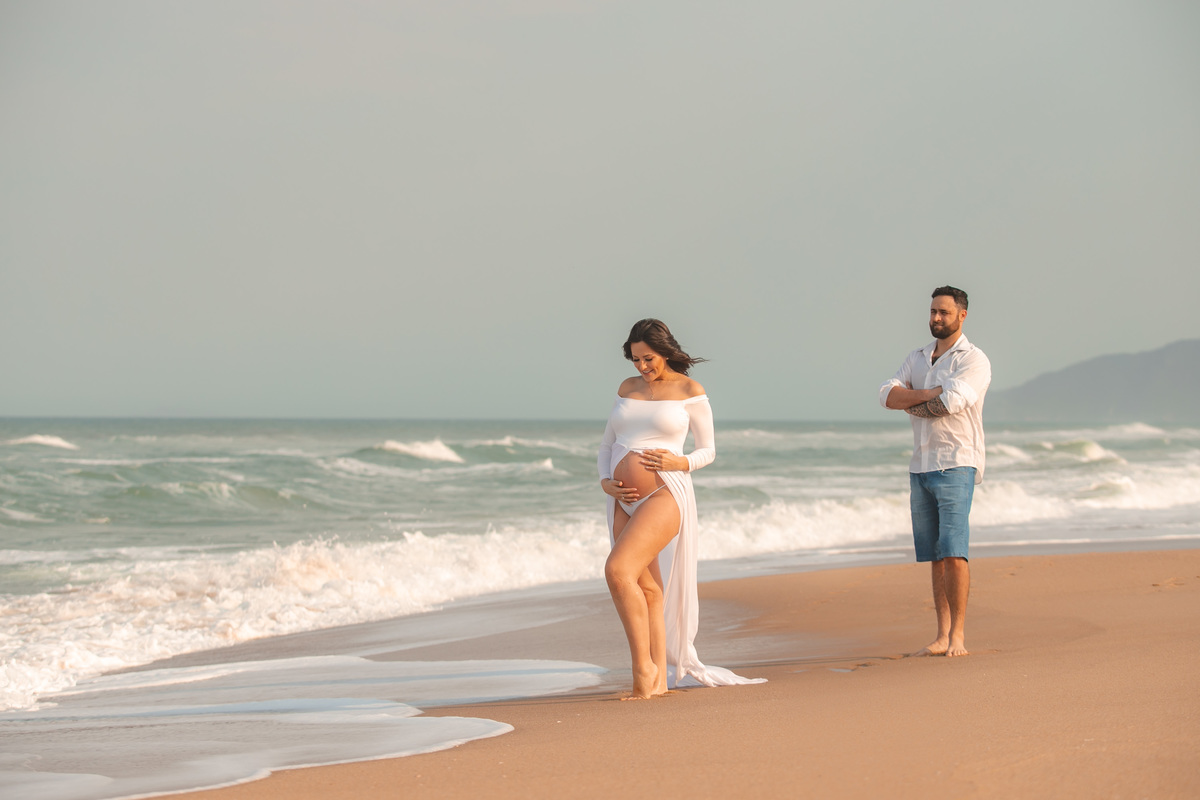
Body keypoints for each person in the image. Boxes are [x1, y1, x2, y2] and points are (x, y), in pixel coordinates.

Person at [598, 319, 765, 698]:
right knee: (647, 588)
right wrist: (605, 480)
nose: (642, 366)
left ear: (665, 351)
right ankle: (657, 681)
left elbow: (708, 450)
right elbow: (607, 444)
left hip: (664, 494)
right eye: (635, 359)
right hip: (621, 499)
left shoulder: (690, 390)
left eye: (648, 358)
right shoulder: (627, 388)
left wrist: (681, 462)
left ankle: (643, 670)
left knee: (618, 571)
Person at [879, 286, 991, 657]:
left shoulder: (973, 360)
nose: (936, 318)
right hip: (921, 465)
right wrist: (929, 393)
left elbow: (952, 403)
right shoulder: (917, 357)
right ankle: (942, 634)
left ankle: (958, 636)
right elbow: (886, 395)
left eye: (944, 312)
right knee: (935, 555)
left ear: (962, 315)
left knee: (954, 552)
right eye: (933, 311)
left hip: (957, 462)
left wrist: (911, 400)